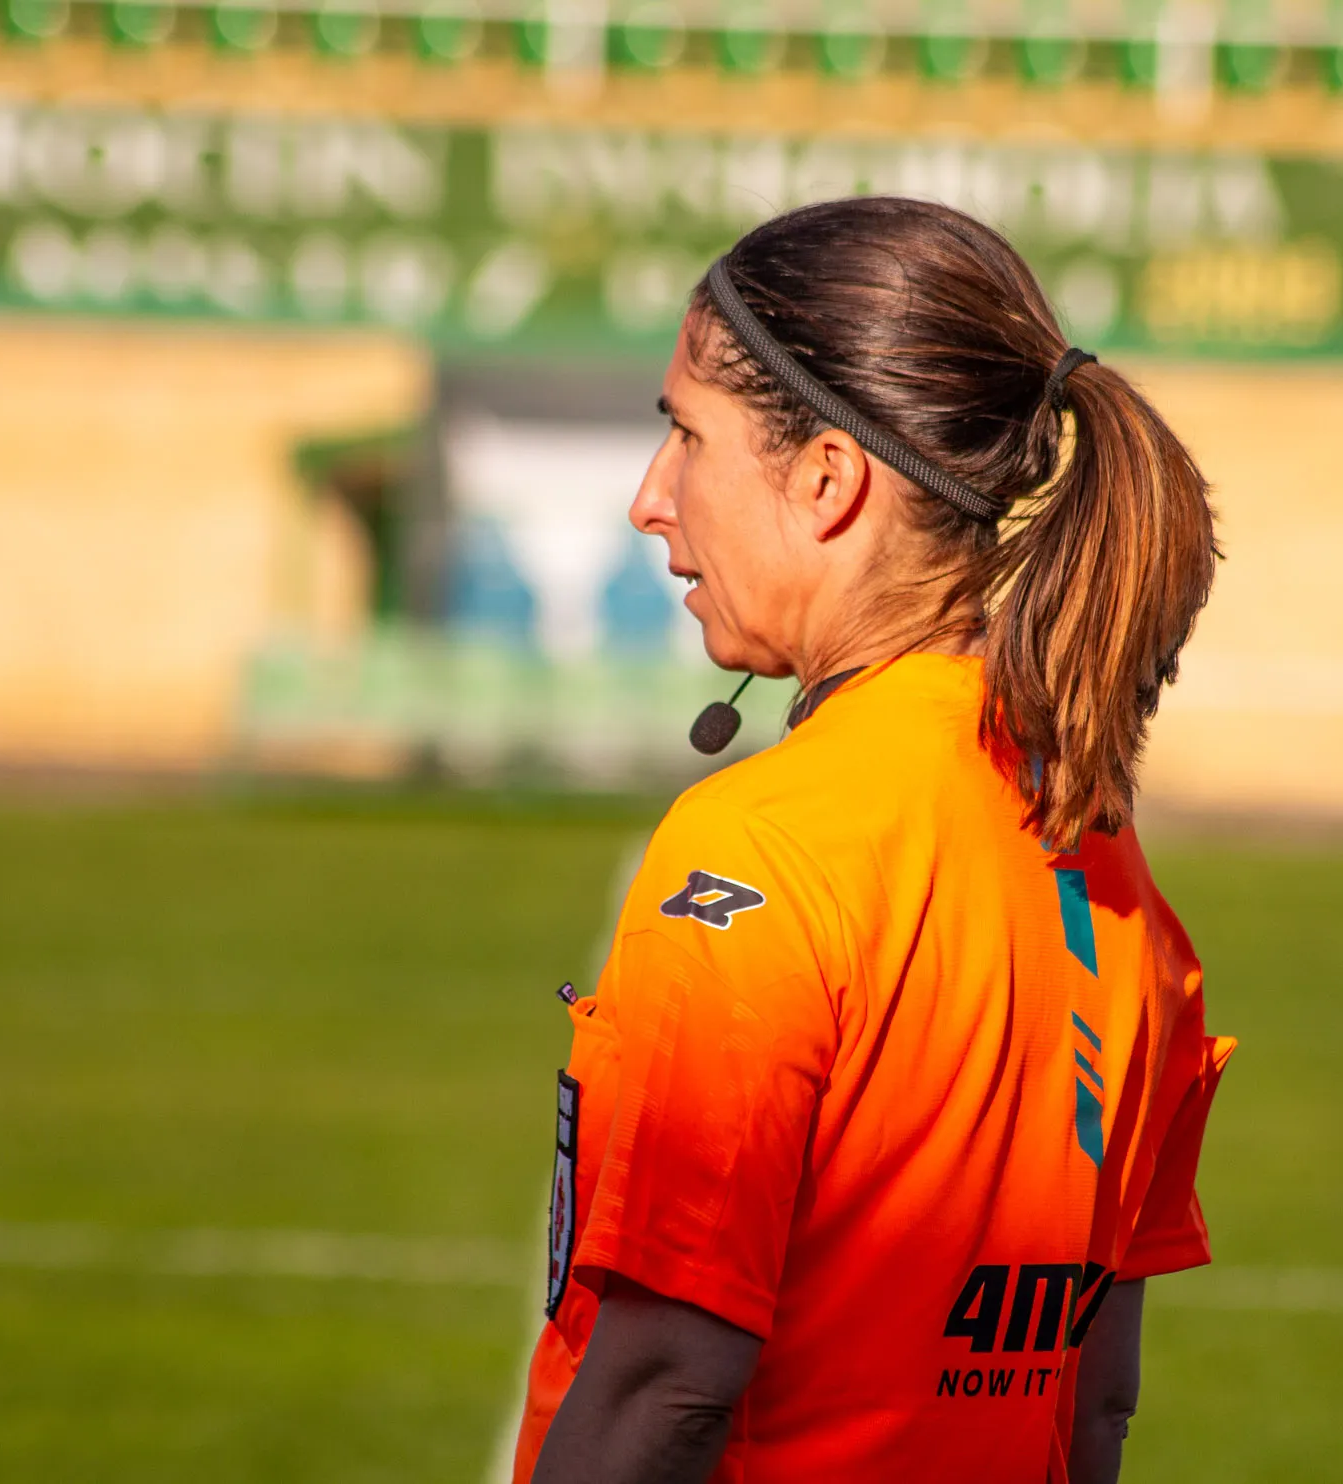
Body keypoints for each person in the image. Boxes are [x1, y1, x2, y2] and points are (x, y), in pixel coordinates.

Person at [514, 195, 1233, 1484]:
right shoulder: (1109, 866)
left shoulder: (760, 854)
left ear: (828, 479)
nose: (649, 499)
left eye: (687, 435)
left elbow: (668, 1382)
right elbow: (1097, 1409)